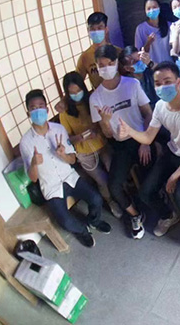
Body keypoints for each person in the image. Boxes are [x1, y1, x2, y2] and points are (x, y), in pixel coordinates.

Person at [117, 62, 180, 241]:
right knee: (145, 192)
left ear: (178, 82)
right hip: (173, 152)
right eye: (158, 83)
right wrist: (129, 131)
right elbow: (148, 138)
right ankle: (168, 215)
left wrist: (174, 176)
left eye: (167, 81)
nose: (162, 87)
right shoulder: (160, 106)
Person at [21, 89, 111, 247]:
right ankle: (82, 231)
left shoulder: (59, 129)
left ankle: (94, 221)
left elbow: (72, 159)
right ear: (28, 113)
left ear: (47, 109)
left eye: (41, 106)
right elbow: (33, 178)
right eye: (33, 108)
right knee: (64, 221)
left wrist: (63, 155)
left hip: (70, 177)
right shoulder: (26, 142)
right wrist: (34, 163)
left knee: (96, 198)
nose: (38, 111)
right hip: (50, 186)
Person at [89, 44, 153, 239]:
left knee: (151, 178)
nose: (106, 68)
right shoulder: (96, 98)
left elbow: (148, 114)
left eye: (110, 63)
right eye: (101, 65)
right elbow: (108, 135)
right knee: (114, 186)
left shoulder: (132, 84)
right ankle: (135, 215)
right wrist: (105, 122)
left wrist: (146, 141)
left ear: (117, 62)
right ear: (96, 67)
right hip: (121, 145)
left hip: (141, 137)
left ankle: (161, 206)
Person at [59, 72, 121, 218]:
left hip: (102, 145)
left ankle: (123, 197)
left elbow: (105, 122)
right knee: (102, 180)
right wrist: (80, 137)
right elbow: (67, 139)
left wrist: (97, 130)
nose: (76, 94)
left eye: (78, 90)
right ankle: (111, 202)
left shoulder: (92, 101)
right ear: (67, 94)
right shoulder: (65, 112)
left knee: (114, 171)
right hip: (84, 153)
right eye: (72, 92)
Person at [76, 12, 121, 89]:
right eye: (92, 29)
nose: (96, 32)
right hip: (99, 94)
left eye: (100, 28)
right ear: (88, 31)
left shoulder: (117, 51)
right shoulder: (84, 57)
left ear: (106, 29)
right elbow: (77, 83)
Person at [135, 0, 172, 65]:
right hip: (152, 66)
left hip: (169, 64)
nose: (152, 10)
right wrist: (148, 42)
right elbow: (140, 53)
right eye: (148, 8)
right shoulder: (141, 29)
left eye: (154, 7)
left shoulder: (169, 25)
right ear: (145, 11)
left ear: (159, 8)